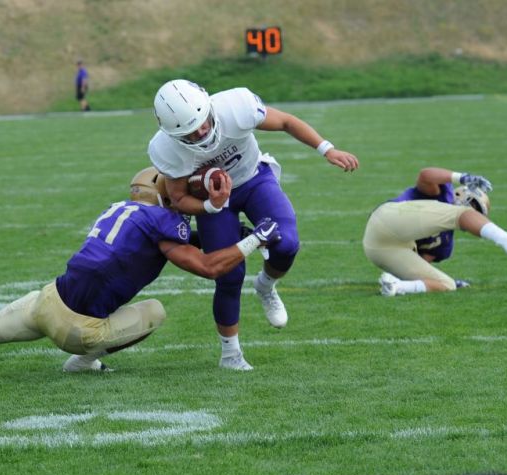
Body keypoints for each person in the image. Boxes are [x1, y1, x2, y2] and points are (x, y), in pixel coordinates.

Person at [0, 168, 281, 381]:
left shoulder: (123, 210)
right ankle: (85, 362)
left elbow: (172, 239)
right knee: (155, 311)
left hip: (47, 299)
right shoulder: (162, 224)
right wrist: (254, 239)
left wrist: (221, 229)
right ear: (161, 196)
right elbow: (208, 267)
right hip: (78, 330)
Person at [148, 79, 359, 370]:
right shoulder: (165, 148)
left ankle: (266, 286)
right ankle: (230, 355)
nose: (200, 132)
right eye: (189, 132)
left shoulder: (236, 106)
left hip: (254, 179)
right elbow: (179, 197)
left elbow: (285, 121)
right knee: (228, 275)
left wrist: (327, 149)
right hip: (213, 201)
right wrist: (211, 205)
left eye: (202, 123)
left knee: (286, 243)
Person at [362, 167, 507, 296]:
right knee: (459, 214)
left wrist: (403, 279)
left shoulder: (446, 245)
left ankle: (396, 287)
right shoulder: (442, 194)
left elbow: (419, 264)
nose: (471, 210)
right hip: (387, 216)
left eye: (476, 210)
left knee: (447, 284)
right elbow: (425, 175)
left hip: (378, 248)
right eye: (472, 203)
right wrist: (462, 177)